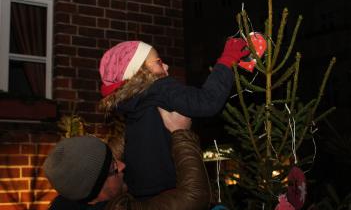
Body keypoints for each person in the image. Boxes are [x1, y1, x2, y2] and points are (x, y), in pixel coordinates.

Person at [98, 38, 249, 200]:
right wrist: (226, 61)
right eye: (158, 62)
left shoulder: (131, 105)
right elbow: (207, 101)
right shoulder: (159, 88)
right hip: (172, 189)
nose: (166, 66)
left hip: (141, 192)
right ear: (140, 73)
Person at [42, 110, 211, 210]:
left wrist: (138, 116)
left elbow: (102, 163)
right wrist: (181, 132)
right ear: (98, 190)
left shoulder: (68, 208)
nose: (122, 166)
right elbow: (195, 197)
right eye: (115, 168)